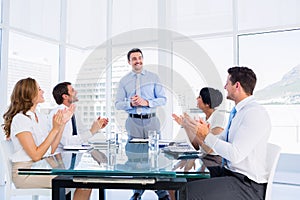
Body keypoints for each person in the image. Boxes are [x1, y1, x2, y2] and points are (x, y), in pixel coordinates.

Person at [183, 67, 271, 200]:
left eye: (227, 83)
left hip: (247, 185)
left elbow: (235, 155)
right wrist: (203, 134)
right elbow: (219, 144)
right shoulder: (238, 112)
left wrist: (207, 135)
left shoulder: (254, 113)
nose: (224, 87)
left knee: (187, 192)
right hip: (230, 173)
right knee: (180, 183)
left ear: (237, 85)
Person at [2, 78, 91, 200]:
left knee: (85, 182)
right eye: (39, 89)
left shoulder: (39, 116)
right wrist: (55, 129)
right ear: (29, 93)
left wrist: (61, 125)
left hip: (39, 168)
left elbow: (51, 149)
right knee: (81, 182)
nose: (42, 91)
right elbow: (35, 155)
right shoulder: (20, 119)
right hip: (25, 174)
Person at [115, 48, 169, 200]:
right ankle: (137, 191)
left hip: (152, 120)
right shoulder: (124, 81)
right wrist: (130, 103)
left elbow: (163, 99)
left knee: (155, 157)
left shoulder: (153, 77)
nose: (137, 61)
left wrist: (147, 102)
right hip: (133, 122)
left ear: (143, 59)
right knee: (134, 158)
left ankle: (162, 192)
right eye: (134, 59)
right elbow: (118, 104)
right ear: (129, 62)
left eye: (139, 58)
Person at [50, 82, 109, 152]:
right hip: (63, 156)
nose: (76, 92)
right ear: (65, 96)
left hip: (74, 156)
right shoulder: (59, 113)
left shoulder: (74, 113)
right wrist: (92, 131)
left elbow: (82, 134)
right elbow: (67, 143)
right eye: (72, 90)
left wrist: (96, 127)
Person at [172, 87, 225, 157]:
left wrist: (191, 127)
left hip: (215, 161)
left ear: (207, 104)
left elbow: (210, 149)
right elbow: (196, 146)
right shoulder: (204, 118)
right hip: (205, 159)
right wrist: (186, 126)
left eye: (199, 97)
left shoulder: (219, 118)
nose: (197, 99)